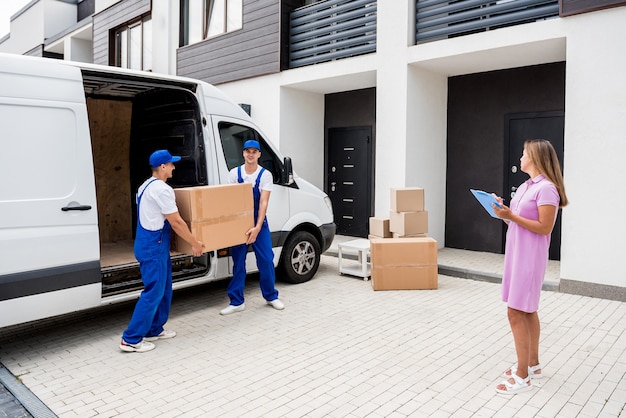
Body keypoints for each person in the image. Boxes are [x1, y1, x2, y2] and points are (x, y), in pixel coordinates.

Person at [492, 139, 568, 394]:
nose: (520, 156)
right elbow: (519, 223)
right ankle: (532, 364)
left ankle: (522, 375)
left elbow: (545, 227)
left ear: (534, 157)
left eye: (524, 153)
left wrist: (511, 216)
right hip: (517, 254)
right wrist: (503, 213)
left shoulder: (546, 189)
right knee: (527, 311)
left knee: (515, 312)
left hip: (530, 258)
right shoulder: (526, 186)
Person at [120, 150, 204, 353]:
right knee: (153, 291)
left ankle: (154, 329)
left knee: (164, 288)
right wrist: (194, 242)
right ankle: (131, 338)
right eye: (171, 164)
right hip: (153, 245)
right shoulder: (162, 190)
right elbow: (175, 221)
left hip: (153, 242)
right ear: (163, 167)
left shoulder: (145, 186)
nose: (174, 167)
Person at [220, 139, 284, 315]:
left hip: (259, 223)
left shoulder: (265, 175)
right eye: (247, 151)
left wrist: (256, 227)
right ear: (243, 153)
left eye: (254, 151)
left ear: (259, 154)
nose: (250, 154)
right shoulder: (234, 174)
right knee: (238, 262)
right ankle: (236, 301)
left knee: (265, 260)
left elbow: (263, 202)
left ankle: (271, 296)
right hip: (239, 224)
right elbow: (231, 200)